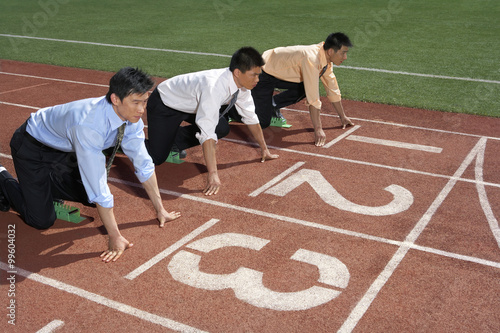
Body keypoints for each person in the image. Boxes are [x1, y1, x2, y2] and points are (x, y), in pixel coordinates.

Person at [0, 67, 181, 263]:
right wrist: (114, 236)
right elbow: (98, 184)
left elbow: (143, 164)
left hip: (62, 150)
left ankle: (39, 186)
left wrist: (160, 209)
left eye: (144, 102)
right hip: (31, 146)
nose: (141, 110)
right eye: (135, 103)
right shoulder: (89, 125)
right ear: (115, 99)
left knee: (89, 196)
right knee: (42, 220)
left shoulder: (131, 118)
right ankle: (3, 177)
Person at [146, 46, 279, 196]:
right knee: (157, 156)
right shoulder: (214, 87)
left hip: (191, 105)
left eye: (258, 75)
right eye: (253, 75)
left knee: (221, 127)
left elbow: (251, 117)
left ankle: (170, 141)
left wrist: (264, 149)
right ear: (237, 72)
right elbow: (207, 132)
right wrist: (213, 174)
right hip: (165, 103)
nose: (257, 80)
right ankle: (121, 142)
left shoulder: (242, 86)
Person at [249, 32, 355, 146]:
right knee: (263, 122)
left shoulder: (325, 61)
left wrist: (342, 117)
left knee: (305, 87)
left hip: (279, 73)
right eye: (343, 53)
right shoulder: (312, 59)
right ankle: (233, 109)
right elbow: (313, 98)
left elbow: (332, 88)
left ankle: (273, 105)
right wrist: (318, 129)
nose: (345, 57)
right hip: (262, 72)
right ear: (330, 51)